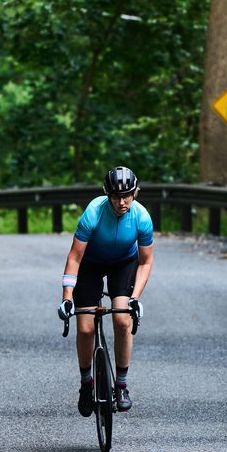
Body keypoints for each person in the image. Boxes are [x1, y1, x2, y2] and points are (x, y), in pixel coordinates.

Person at [58, 166, 154, 415]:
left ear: (136, 193)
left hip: (123, 264)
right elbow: (75, 257)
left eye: (127, 196)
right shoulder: (93, 213)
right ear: (107, 194)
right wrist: (67, 297)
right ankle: (86, 383)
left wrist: (135, 298)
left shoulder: (142, 218)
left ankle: (121, 385)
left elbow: (145, 262)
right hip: (90, 264)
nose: (121, 202)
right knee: (85, 326)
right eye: (115, 197)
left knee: (122, 320)